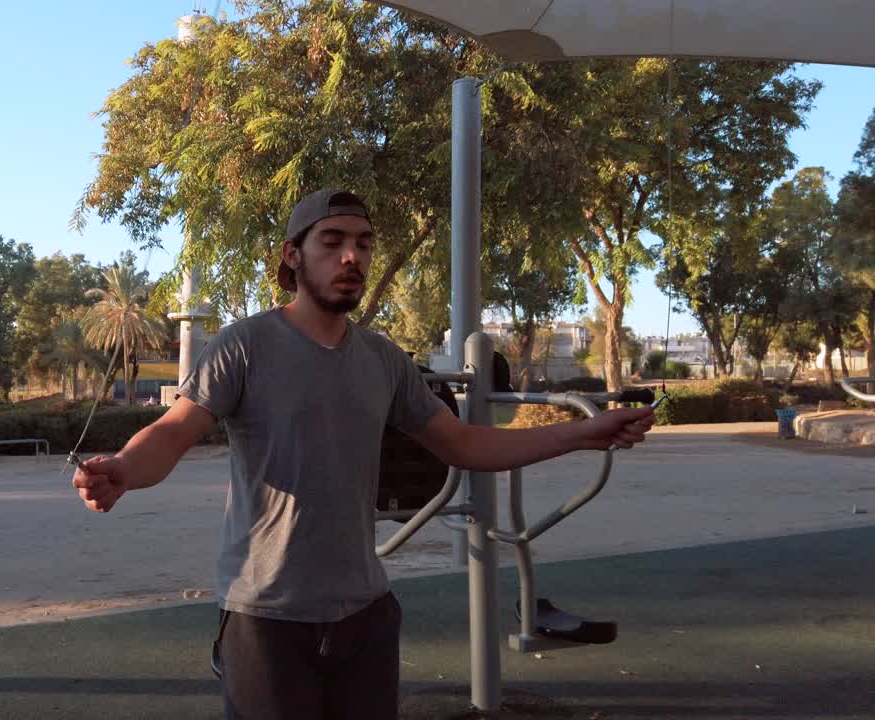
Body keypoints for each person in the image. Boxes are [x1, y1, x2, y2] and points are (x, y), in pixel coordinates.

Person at [71, 188, 655, 719]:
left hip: (366, 614)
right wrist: (123, 469)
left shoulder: (384, 360)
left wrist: (585, 432)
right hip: (266, 617)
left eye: (363, 244)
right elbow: (174, 432)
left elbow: (465, 444)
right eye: (332, 242)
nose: (352, 257)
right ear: (292, 256)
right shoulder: (244, 346)